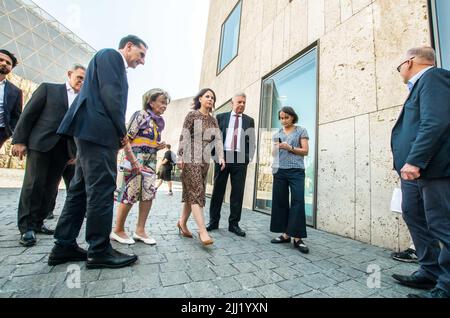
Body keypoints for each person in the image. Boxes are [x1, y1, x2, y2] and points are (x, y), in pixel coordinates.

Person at [47, 35, 147, 269]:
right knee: (102, 189)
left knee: (80, 190)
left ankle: (63, 245)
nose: (141, 62)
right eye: (141, 55)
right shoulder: (111, 55)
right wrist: (121, 132)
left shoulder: (105, 59)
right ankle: (99, 250)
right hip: (98, 132)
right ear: (128, 46)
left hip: (90, 132)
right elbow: (112, 97)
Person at [391, 47, 450, 298]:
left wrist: (414, 160)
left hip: (432, 169)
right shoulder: (419, 86)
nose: (399, 71)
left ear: (410, 61)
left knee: (441, 224)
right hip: (414, 174)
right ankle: (430, 272)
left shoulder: (434, 77)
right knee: (413, 215)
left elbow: (436, 121)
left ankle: (446, 286)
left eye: (399, 66)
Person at [11, 65, 86, 247]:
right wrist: (19, 141)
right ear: (69, 74)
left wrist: (75, 153)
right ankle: (26, 227)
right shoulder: (48, 89)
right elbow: (28, 114)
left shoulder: (84, 99)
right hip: (41, 144)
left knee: (50, 187)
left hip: (64, 150)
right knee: (34, 184)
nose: (81, 81)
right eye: (79, 77)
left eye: (85, 79)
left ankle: (38, 222)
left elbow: (80, 128)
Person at [112, 89, 170, 245]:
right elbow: (126, 139)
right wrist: (133, 161)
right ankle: (118, 230)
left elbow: (145, 141)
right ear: (151, 102)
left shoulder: (156, 122)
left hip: (150, 163)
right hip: (134, 161)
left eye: (166, 103)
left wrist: (158, 146)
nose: (165, 106)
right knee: (130, 194)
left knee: (148, 195)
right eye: (162, 102)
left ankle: (140, 230)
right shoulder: (140, 115)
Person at [177, 88, 225, 246]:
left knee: (194, 193)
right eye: (207, 96)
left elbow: (217, 139)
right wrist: (179, 155)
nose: (210, 99)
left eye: (212, 97)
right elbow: (184, 135)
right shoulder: (192, 115)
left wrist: (221, 157)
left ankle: (182, 222)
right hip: (190, 157)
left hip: (205, 160)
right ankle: (202, 230)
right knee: (197, 192)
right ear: (200, 99)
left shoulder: (213, 120)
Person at [207, 92, 255, 237]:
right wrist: (216, 156)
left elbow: (251, 141)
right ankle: (213, 222)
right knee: (218, 191)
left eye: (244, 102)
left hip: (240, 159)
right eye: (239, 102)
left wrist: (247, 158)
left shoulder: (249, 120)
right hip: (223, 157)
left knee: (238, 193)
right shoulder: (221, 117)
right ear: (232, 103)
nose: (242, 105)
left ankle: (234, 224)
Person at [270, 106, 310, 254]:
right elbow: (274, 153)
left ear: (292, 117)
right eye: (281, 118)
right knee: (280, 202)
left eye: (286, 117)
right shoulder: (277, 133)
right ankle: (286, 234)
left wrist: (289, 147)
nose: (283, 120)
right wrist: (276, 148)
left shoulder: (301, 130)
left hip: (296, 171)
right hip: (280, 170)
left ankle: (298, 238)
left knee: (298, 201)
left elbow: (305, 151)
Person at [0, 49, 22, 150]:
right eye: (1, 60)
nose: (4, 63)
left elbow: (16, 116)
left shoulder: (15, 91)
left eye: (8, 63)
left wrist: (8, 133)